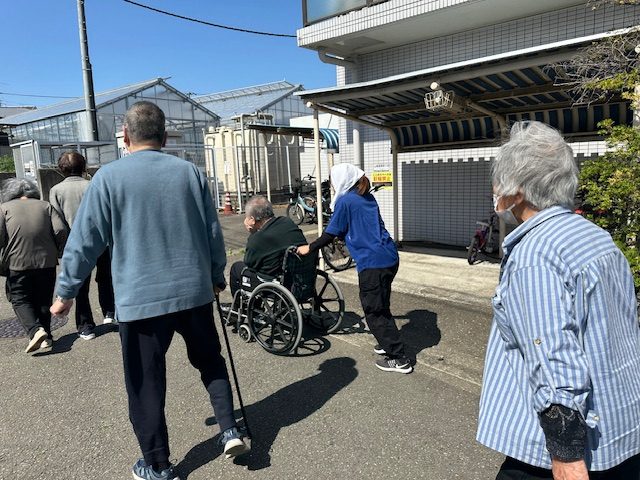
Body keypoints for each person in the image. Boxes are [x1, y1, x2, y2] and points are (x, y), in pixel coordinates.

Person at [50, 101, 250, 480]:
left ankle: (158, 464)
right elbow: (212, 231)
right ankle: (229, 430)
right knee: (210, 361)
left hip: (141, 300)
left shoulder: (108, 178)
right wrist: (216, 274)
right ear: (164, 136)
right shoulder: (190, 173)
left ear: (125, 136)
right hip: (194, 292)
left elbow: (84, 241)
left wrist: (66, 292)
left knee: (146, 383)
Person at [476, 121, 640, 479]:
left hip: (563, 449)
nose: (495, 191)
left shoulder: (535, 253)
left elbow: (551, 355)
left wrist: (566, 456)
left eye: (498, 181)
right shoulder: (596, 237)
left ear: (518, 190)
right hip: (621, 428)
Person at [297, 163, 411, 374]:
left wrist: (310, 247)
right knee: (382, 303)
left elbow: (331, 233)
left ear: (341, 180)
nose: (331, 185)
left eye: (332, 180)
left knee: (374, 311)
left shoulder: (346, 201)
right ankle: (387, 341)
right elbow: (359, 225)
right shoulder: (365, 196)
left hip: (373, 263)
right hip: (388, 256)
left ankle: (398, 358)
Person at [49, 150, 116, 341]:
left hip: (76, 244)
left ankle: (86, 326)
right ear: (83, 166)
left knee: (80, 287)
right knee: (106, 278)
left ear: (61, 169)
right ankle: (110, 312)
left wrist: (62, 247)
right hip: (103, 240)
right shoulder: (94, 185)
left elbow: (58, 224)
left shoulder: (56, 191)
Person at [0, 177, 68, 352]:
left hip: (17, 263)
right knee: (44, 298)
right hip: (47, 261)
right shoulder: (45, 206)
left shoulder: (4, 209)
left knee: (19, 298)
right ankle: (47, 337)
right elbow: (60, 229)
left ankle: (35, 330)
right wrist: (58, 249)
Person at [228, 195, 307, 297]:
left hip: (275, 285)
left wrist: (253, 233)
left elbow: (249, 263)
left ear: (252, 219)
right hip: (302, 279)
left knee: (237, 268)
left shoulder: (258, 238)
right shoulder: (288, 222)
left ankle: (239, 304)